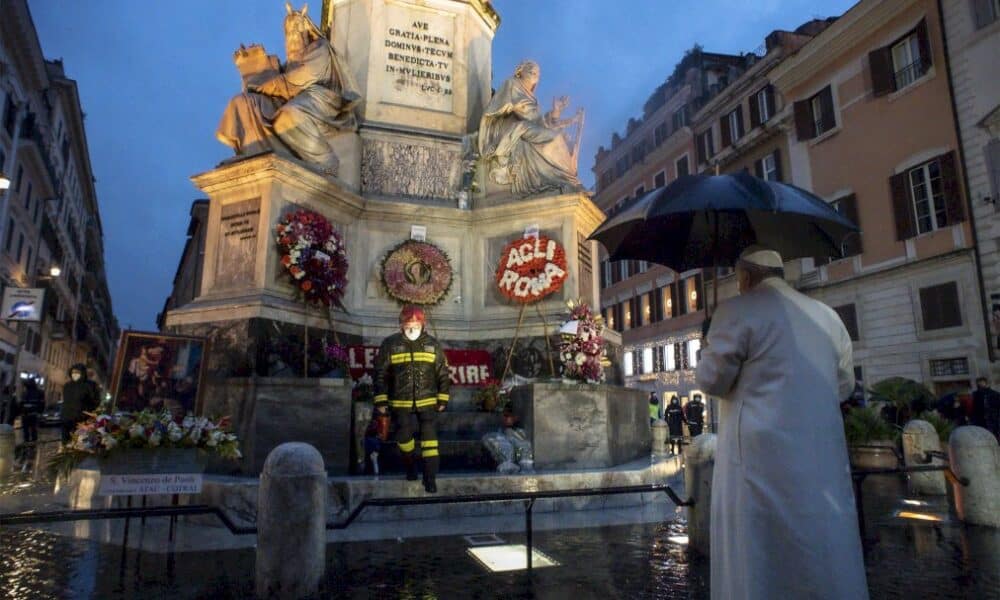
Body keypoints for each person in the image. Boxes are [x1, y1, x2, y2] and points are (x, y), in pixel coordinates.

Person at [696, 248, 868, 600]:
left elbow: (712, 381)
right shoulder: (828, 316)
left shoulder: (735, 311)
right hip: (820, 460)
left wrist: (706, 345)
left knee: (759, 559)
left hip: (759, 463)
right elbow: (844, 386)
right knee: (822, 548)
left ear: (744, 277)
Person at [217, 2, 360, 172]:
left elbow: (300, 78)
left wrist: (266, 85)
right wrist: (251, 69)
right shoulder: (289, 63)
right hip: (293, 98)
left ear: (306, 30)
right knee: (242, 102)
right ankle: (252, 153)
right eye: (289, 32)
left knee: (289, 116)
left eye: (296, 30)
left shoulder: (319, 48)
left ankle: (326, 161)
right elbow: (278, 82)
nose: (292, 36)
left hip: (321, 98)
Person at [477, 60, 583, 196]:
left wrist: (556, 112)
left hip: (528, 127)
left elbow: (538, 120)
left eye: (538, 72)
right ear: (520, 71)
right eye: (532, 70)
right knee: (555, 138)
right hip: (515, 127)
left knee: (561, 139)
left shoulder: (533, 98)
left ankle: (566, 179)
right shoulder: (512, 84)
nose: (536, 73)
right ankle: (563, 179)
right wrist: (511, 108)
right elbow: (500, 108)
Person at [374, 305, 451, 493]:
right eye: (408, 323)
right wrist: (382, 401)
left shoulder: (433, 345)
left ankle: (430, 478)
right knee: (404, 438)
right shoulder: (390, 344)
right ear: (401, 324)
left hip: (427, 402)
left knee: (430, 442)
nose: (411, 327)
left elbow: (443, 373)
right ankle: (410, 467)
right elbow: (380, 374)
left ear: (423, 324)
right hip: (400, 401)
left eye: (415, 324)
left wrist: (442, 398)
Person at [60, 364, 101, 443]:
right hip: (67, 419)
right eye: (73, 372)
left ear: (82, 373)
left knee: (79, 444)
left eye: (77, 372)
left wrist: (86, 413)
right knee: (66, 444)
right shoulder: (67, 386)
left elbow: (95, 401)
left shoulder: (90, 385)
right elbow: (66, 402)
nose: (74, 374)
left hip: (81, 420)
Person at [19, 379, 44, 446]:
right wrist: (40, 412)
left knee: (28, 432)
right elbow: (41, 404)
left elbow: (21, 404)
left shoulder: (25, 393)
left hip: (28, 415)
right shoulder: (38, 392)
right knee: (32, 431)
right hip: (31, 414)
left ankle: (28, 446)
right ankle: (32, 446)